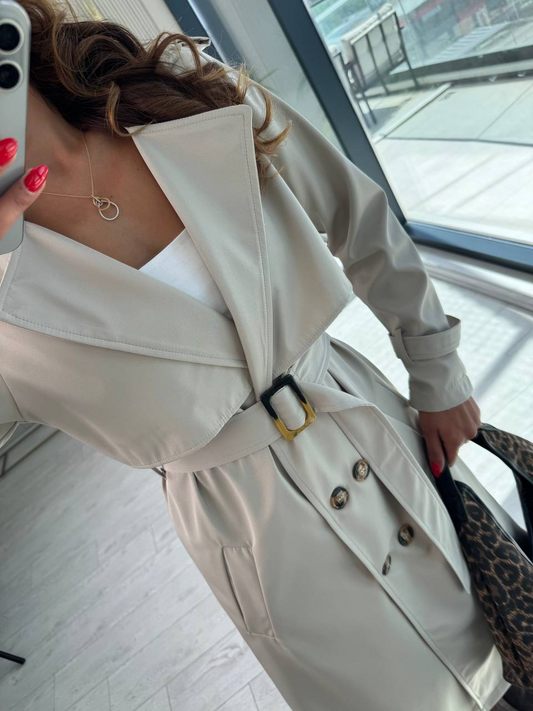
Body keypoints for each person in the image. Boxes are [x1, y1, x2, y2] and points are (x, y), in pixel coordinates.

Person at [0, 2, 529, 710]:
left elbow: (352, 212)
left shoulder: (173, 89)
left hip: (370, 422)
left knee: (511, 629)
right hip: (262, 539)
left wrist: (436, 366)